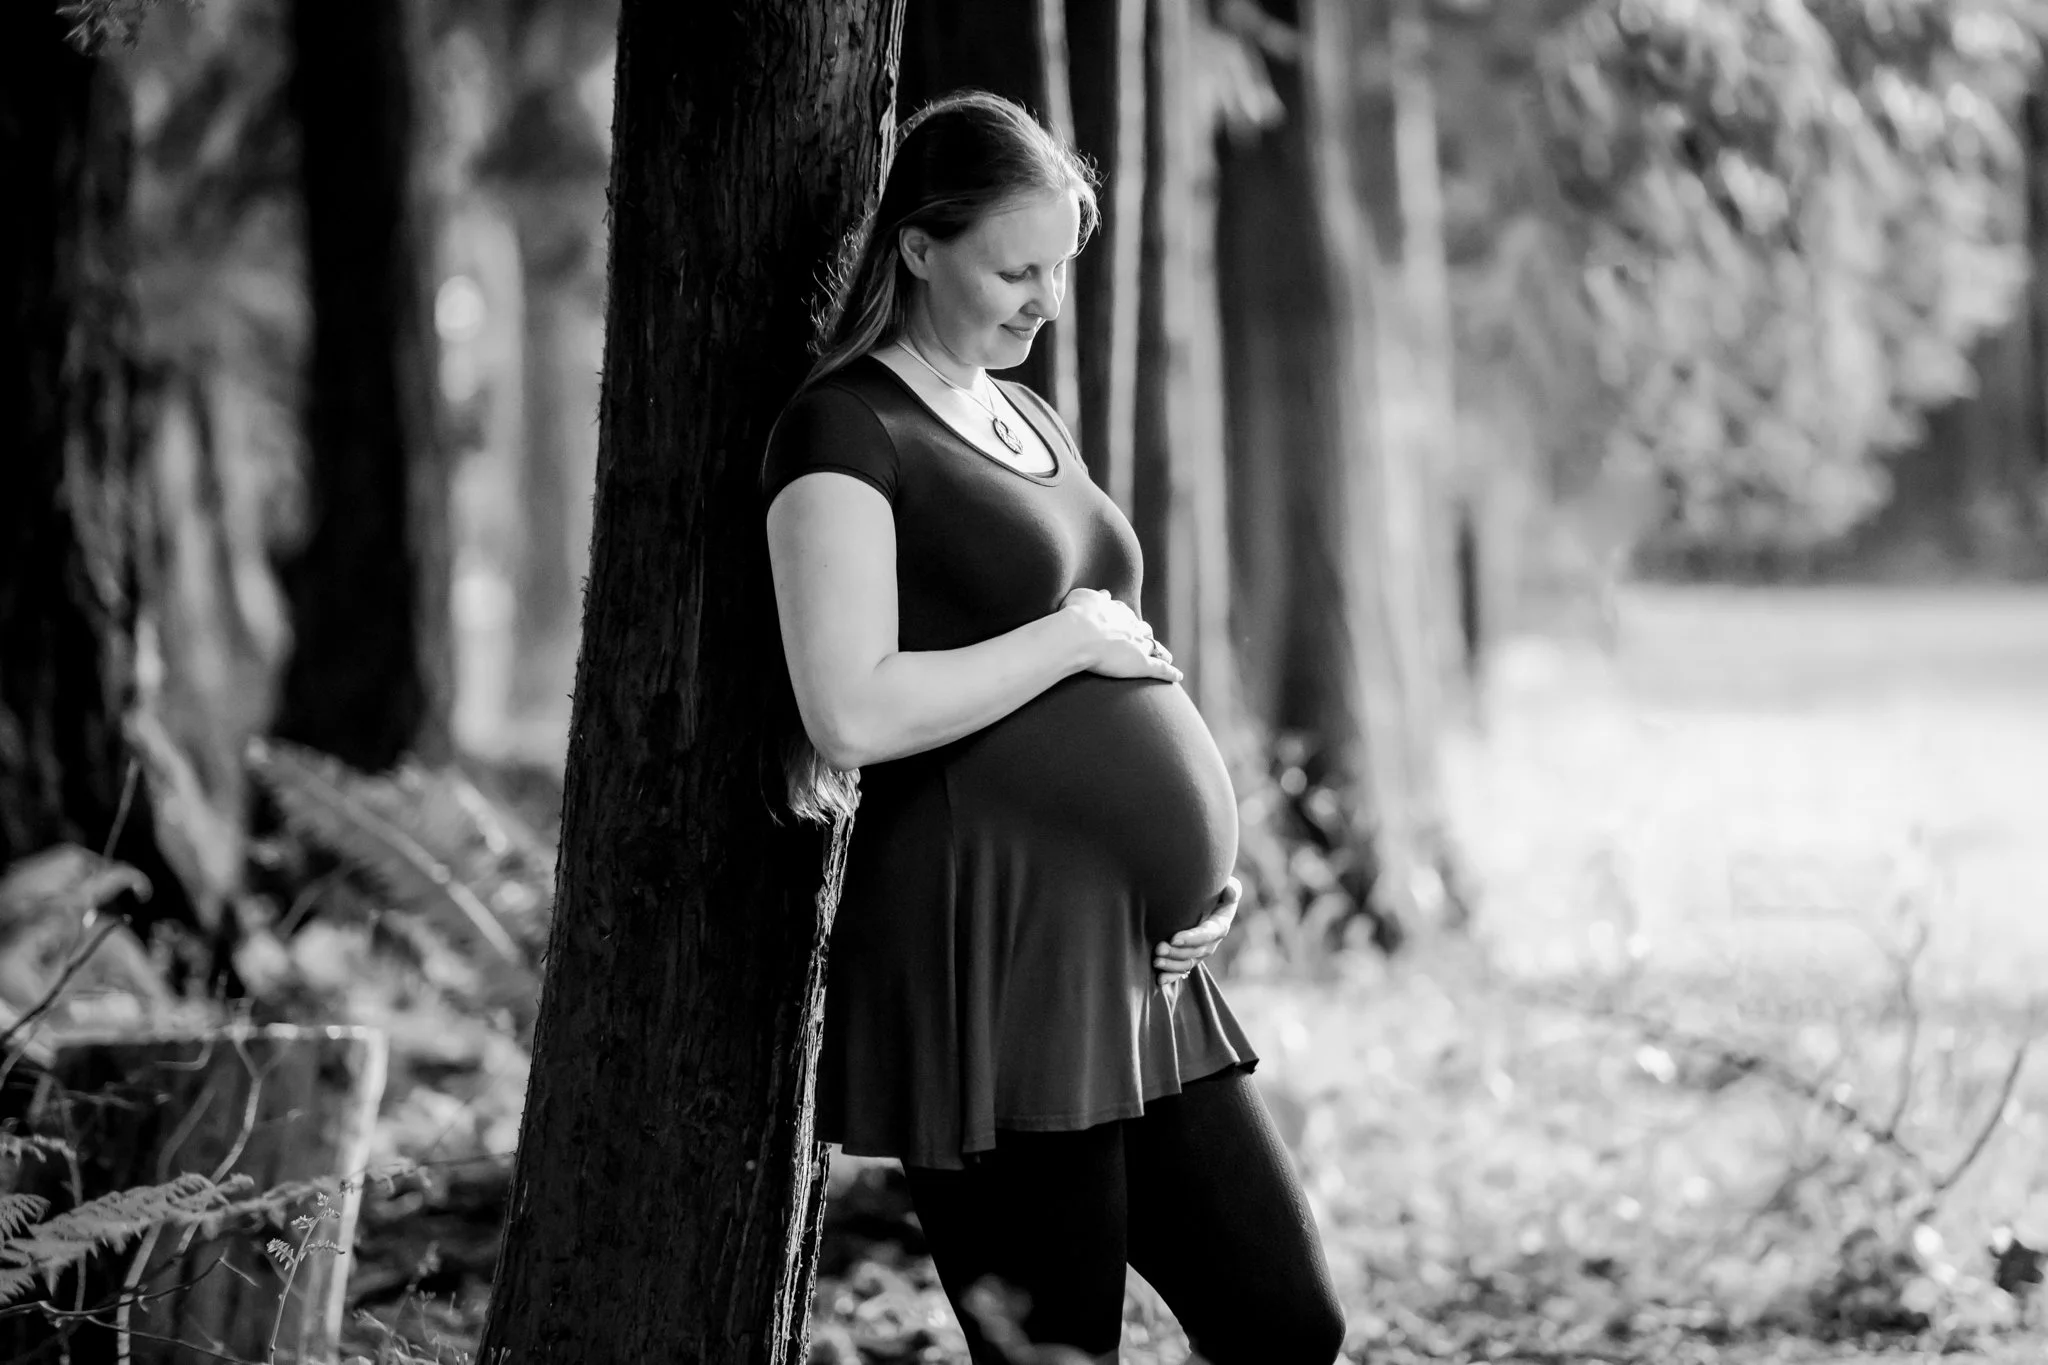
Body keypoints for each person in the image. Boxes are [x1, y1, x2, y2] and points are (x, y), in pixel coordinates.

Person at [761, 90, 1346, 1365]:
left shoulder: (1025, 415)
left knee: (1287, 1322)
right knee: (1057, 1355)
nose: (1043, 300)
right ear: (917, 249)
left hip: (1135, 966)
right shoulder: (844, 431)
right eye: (1011, 267)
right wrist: (1072, 638)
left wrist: (1192, 882)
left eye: (1059, 267)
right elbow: (847, 707)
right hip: (996, 952)